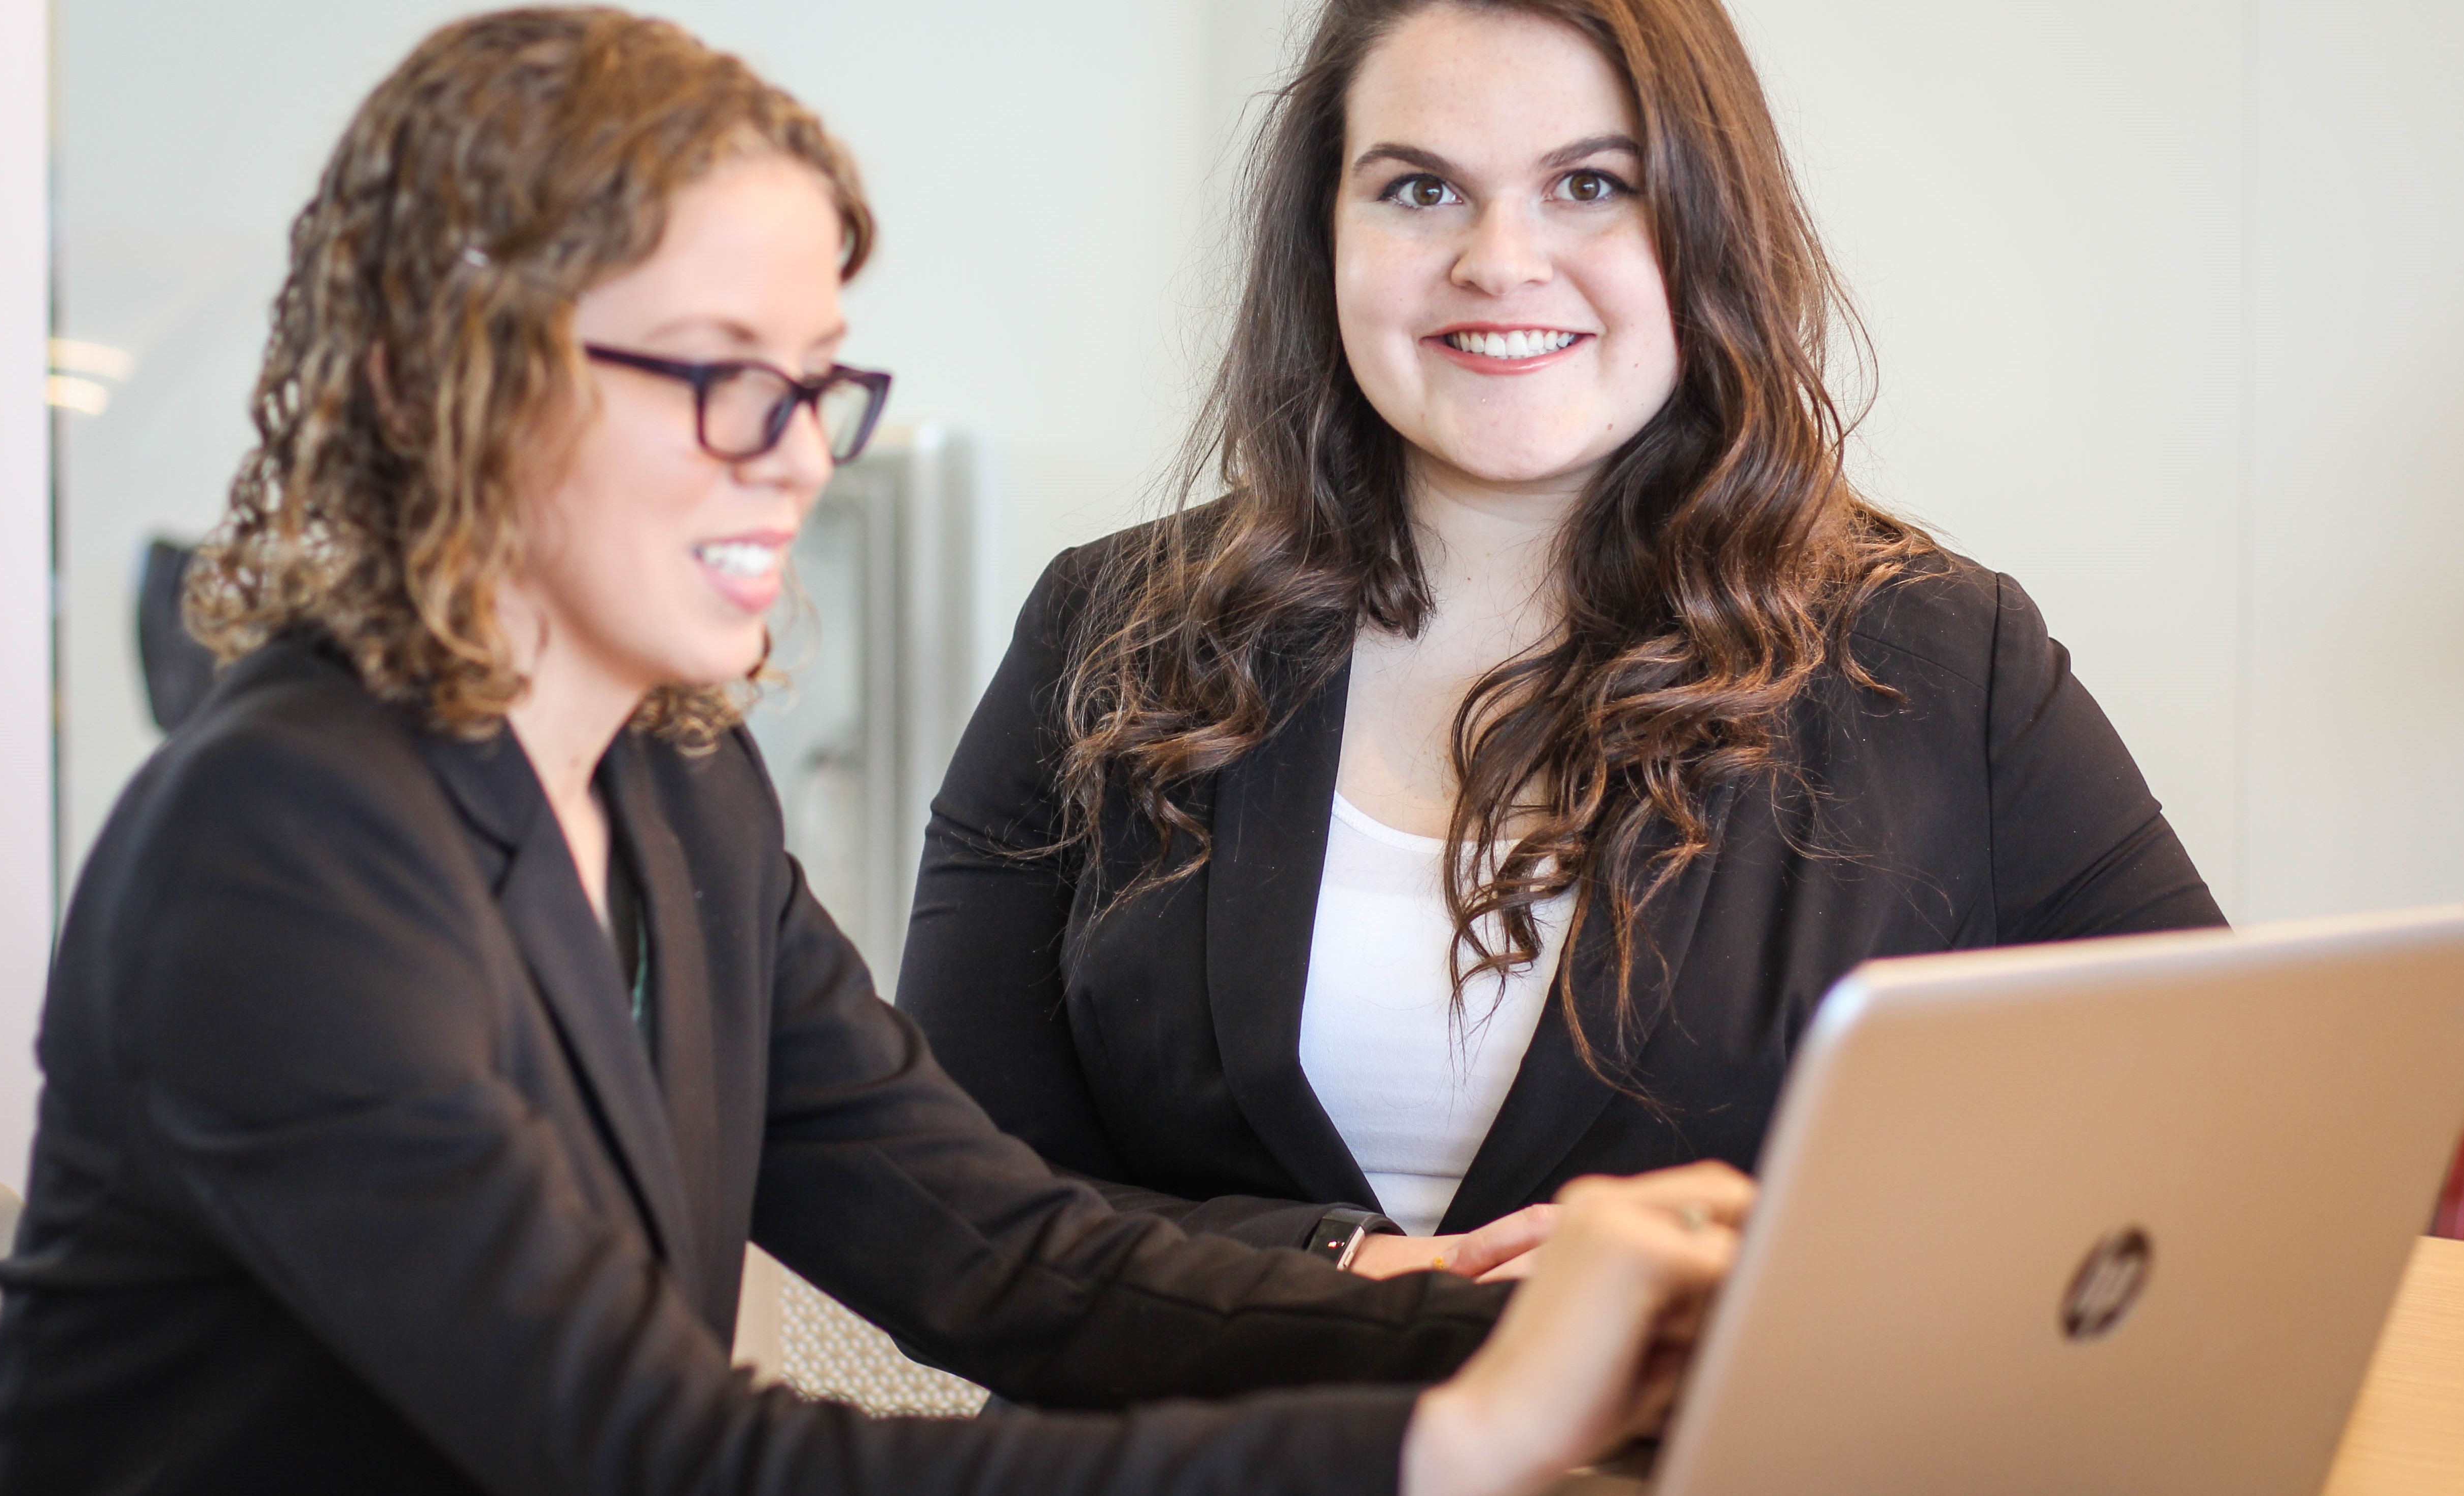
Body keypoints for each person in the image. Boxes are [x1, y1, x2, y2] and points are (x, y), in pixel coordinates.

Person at [0, 11, 1754, 1496]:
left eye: (817, 385)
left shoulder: (676, 795)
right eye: (723, 379)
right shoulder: (283, 841)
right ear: (452, 389)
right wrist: (1454, 1444)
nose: (797, 462)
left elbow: (1000, 1258)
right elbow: (671, 1466)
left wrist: (1543, 1334)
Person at [898, 0, 2223, 1282]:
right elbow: (952, 1202)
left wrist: (1770, 1271)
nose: (1501, 259)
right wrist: (1353, 1280)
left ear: (1708, 223)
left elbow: (2218, 1136)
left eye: (1590, 185)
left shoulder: (1942, 660)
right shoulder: (1108, 630)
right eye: (1419, 190)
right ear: (1324, 237)